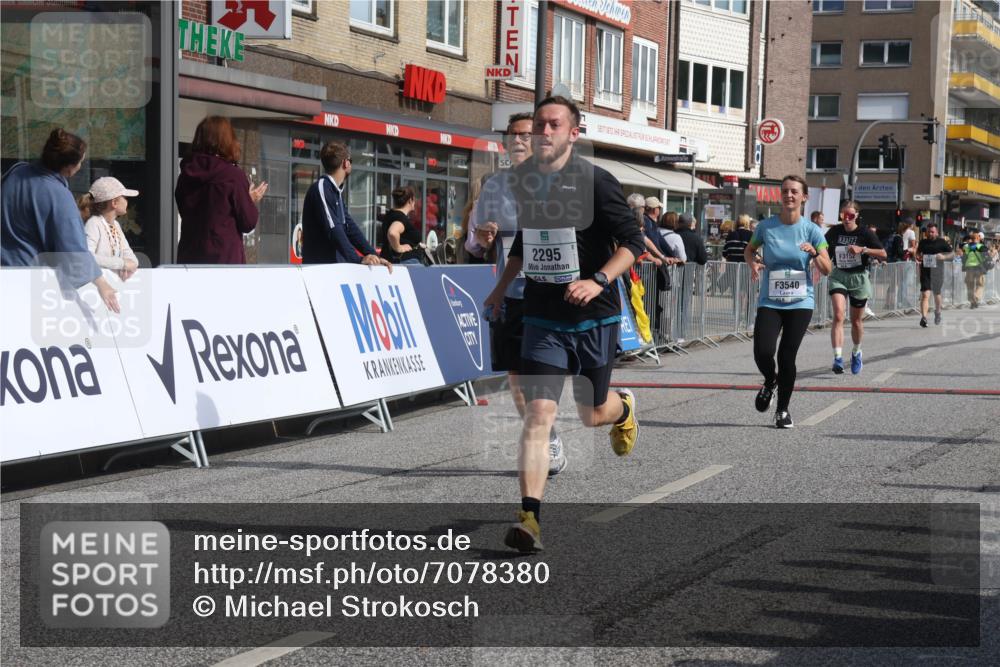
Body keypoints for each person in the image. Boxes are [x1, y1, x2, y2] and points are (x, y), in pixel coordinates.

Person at [484, 96, 645, 552]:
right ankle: (529, 518)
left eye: (554, 124)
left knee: (591, 414)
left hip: (594, 315)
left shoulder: (596, 181)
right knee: (539, 413)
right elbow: (526, 244)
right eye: (539, 124)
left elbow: (633, 242)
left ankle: (623, 408)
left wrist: (598, 280)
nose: (544, 131)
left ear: (574, 133)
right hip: (544, 316)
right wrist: (500, 289)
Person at [475, 112, 565, 475]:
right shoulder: (493, 187)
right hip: (510, 293)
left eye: (526, 134)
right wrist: (482, 236)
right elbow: (474, 243)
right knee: (516, 378)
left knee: (539, 374)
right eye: (513, 134)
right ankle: (549, 435)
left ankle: (544, 435)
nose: (519, 140)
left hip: (547, 293)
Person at [745, 175, 831, 428]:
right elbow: (749, 250)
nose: (789, 195)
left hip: (800, 302)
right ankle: (770, 380)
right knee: (763, 351)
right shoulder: (766, 227)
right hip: (770, 300)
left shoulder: (812, 230)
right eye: (785, 191)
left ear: (804, 197)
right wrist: (753, 263)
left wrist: (814, 253)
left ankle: (782, 410)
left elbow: (827, 268)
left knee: (786, 356)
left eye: (794, 191)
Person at [1, 128, 119, 312]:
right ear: (69, 169)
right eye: (80, 162)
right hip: (25, 283)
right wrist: (102, 284)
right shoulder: (59, 196)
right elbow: (73, 250)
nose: (81, 165)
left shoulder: (16, 173)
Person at [175, 116, 266, 264]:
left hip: (190, 259)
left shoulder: (186, 175)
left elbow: (186, 211)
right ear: (228, 141)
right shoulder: (233, 176)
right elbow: (248, 222)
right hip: (224, 262)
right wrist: (248, 200)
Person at [301, 140, 391, 270]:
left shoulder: (335, 192)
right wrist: (357, 259)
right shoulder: (322, 188)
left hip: (335, 269)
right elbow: (334, 229)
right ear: (345, 163)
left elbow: (350, 228)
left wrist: (374, 255)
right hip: (320, 270)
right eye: (351, 161)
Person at [824, 201, 886, 375]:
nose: (847, 218)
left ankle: (856, 352)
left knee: (856, 321)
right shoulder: (835, 231)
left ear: (857, 215)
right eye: (844, 215)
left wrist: (863, 249)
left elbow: (883, 254)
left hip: (858, 277)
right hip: (839, 275)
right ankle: (837, 358)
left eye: (850, 215)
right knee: (838, 315)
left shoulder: (865, 232)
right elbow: (823, 250)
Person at [79, 177, 140, 281]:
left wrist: (130, 266)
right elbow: (87, 257)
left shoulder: (116, 225)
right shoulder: (94, 223)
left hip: (113, 282)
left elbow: (129, 255)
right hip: (95, 284)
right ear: (114, 203)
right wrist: (122, 264)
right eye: (125, 197)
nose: (127, 201)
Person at [915, 223, 954, 326]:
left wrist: (943, 257)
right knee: (925, 294)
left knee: (937, 293)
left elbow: (952, 254)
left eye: (932, 232)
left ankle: (938, 312)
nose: (930, 233)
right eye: (928, 232)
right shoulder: (923, 242)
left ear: (936, 232)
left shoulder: (942, 242)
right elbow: (918, 253)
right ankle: (924, 318)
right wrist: (918, 257)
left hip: (937, 272)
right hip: (925, 272)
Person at [380, 186, 424, 265]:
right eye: (414, 200)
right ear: (410, 200)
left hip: (391, 260)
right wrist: (399, 248)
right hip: (405, 262)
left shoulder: (391, 215)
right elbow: (392, 232)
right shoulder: (401, 217)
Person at [958, 230, 989, 308]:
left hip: (969, 267)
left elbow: (963, 256)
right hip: (978, 267)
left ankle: (972, 301)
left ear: (971, 239)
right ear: (978, 239)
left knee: (969, 285)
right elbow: (986, 257)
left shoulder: (966, 246)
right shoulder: (981, 246)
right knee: (980, 284)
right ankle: (976, 297)